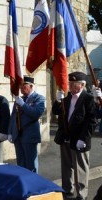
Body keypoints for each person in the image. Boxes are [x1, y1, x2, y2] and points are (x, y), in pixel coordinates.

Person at [52, 71, 97, 200]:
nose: (70, 86)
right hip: (66, 137)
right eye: (69, 83)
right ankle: (67, 191)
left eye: (73, 84)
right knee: (66, 167)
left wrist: (84, 138)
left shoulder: (88, 99)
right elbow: (56, 111)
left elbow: (92, 121)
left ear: (82, 85)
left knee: (80, 169)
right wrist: (57, 100)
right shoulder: (67, 98)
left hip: (79, 139)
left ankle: (82, 195)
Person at [8, 76, 45, 173]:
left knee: (31, 164)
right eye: (20, 86)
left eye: (24, 86)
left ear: (31, 86)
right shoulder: (20, 99)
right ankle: (23, 185)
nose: (21, 88)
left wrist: (23, 105)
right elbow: (13, 116)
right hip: (18, 135)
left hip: (29, 135)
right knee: (20, 163)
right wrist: (10, 132)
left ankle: (33, 186)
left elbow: (36, 113)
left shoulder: (39, 98)